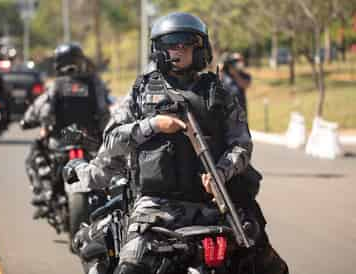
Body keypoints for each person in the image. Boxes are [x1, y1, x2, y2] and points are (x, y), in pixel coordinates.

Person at [101, 12, 288, 274]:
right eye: (170, 45)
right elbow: (111, 140)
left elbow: (242, 145)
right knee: (130, 266)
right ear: (159, 50)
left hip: (213, 205)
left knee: (266, 263)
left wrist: (221, 172)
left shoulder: (219, 94)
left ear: (200, 49)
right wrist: (153, 125)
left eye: (185, 44)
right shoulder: (141, 93)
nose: (178, 51)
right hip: (154, 207)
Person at [20, 42, 111, 219]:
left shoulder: (57, 85)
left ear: (58, 63)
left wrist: (34, 124)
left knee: (34, 158)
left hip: (62, 139)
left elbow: (43, 110)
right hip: (90, 139)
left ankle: (44, 196)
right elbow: (104, 112)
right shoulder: (94, 83)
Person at [221, 52, 252, 117]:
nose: (240, 62)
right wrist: (222, 69)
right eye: (236, 60)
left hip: (240, 111)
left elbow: (245, 85)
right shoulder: (224, 75)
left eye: (241, 60)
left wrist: (235, 74)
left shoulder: (245, 75)